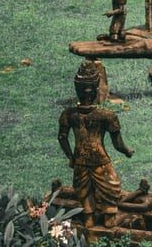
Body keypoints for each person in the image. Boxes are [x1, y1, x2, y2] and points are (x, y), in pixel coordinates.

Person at [57, 61, 133, 228]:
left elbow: (62, 137)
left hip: (80, 159)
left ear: (78, 89)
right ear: (96, 89)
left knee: (83, 189)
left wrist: (71, 157)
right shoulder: (106, 115)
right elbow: (118, 143)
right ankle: (109, 216)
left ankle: (89, 217)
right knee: (110, 187)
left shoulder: (69, 114)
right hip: (100, 159)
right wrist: (127, 151)